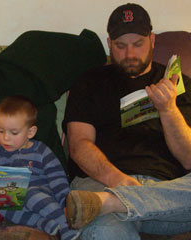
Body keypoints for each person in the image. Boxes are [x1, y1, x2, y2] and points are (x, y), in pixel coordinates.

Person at [63, 3, 191, 240]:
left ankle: (111, 203)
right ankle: (111, 202)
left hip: (165, 196)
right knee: (106, 232)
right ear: (110, 43)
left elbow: (188, 157)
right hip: (101, 183)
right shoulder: (89, 82)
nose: (130, 54)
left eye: (138, 44)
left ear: (152, 40)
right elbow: (79, 145)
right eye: (121, 46)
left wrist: (168, 109)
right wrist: (118, 181)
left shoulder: (177, 83)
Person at [0, 96, 79, 240]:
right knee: (2, 205)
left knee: (28, 192)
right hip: (17, 205)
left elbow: (58, 180)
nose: (5, 138)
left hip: (42, 196)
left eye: (14, 132)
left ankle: (66, 226)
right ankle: (41, 222)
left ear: (30, 132)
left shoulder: (41, 151)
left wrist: (66, 204)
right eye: (0, 131)